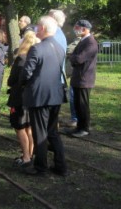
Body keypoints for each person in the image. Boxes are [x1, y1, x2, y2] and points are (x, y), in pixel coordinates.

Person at [19, 16, 68, 176]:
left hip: (40, 97)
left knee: (40, 132)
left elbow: (26, 73)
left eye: (37, 27)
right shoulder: (59, 47)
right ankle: (61, 166)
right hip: (56, 95)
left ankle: (41, 167)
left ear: (43, 29)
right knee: (53, 132)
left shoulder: (37, 48)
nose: (35, 29)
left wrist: (22, 83)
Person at [7, 30, 39, 169]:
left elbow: (12, 80)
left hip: (19, 98)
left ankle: (26, 156)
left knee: (20, 128)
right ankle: (30, 154)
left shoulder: (21, 58)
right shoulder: (36, 58)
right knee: (29, 127)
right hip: (32, 98)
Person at [67, 20, 98, 138]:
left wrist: (73, 58)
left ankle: (84, 128)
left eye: (77, 27)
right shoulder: (83, 41)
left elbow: (78, 59)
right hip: (78, 78)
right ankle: (79, 127)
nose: (75, 30)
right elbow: (73, 55)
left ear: (84, 29)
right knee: (77, 104)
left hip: (84, 79)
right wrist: (73, 57)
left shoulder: (91, 43)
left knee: (83, 105)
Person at [65, 33, 81, 128]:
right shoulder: (82, 41)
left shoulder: (80, 40)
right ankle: (76, 118)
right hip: (75, 74)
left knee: (73, 97)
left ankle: (75, 119)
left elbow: (68, 49)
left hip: (77, 74)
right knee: (74, 97)